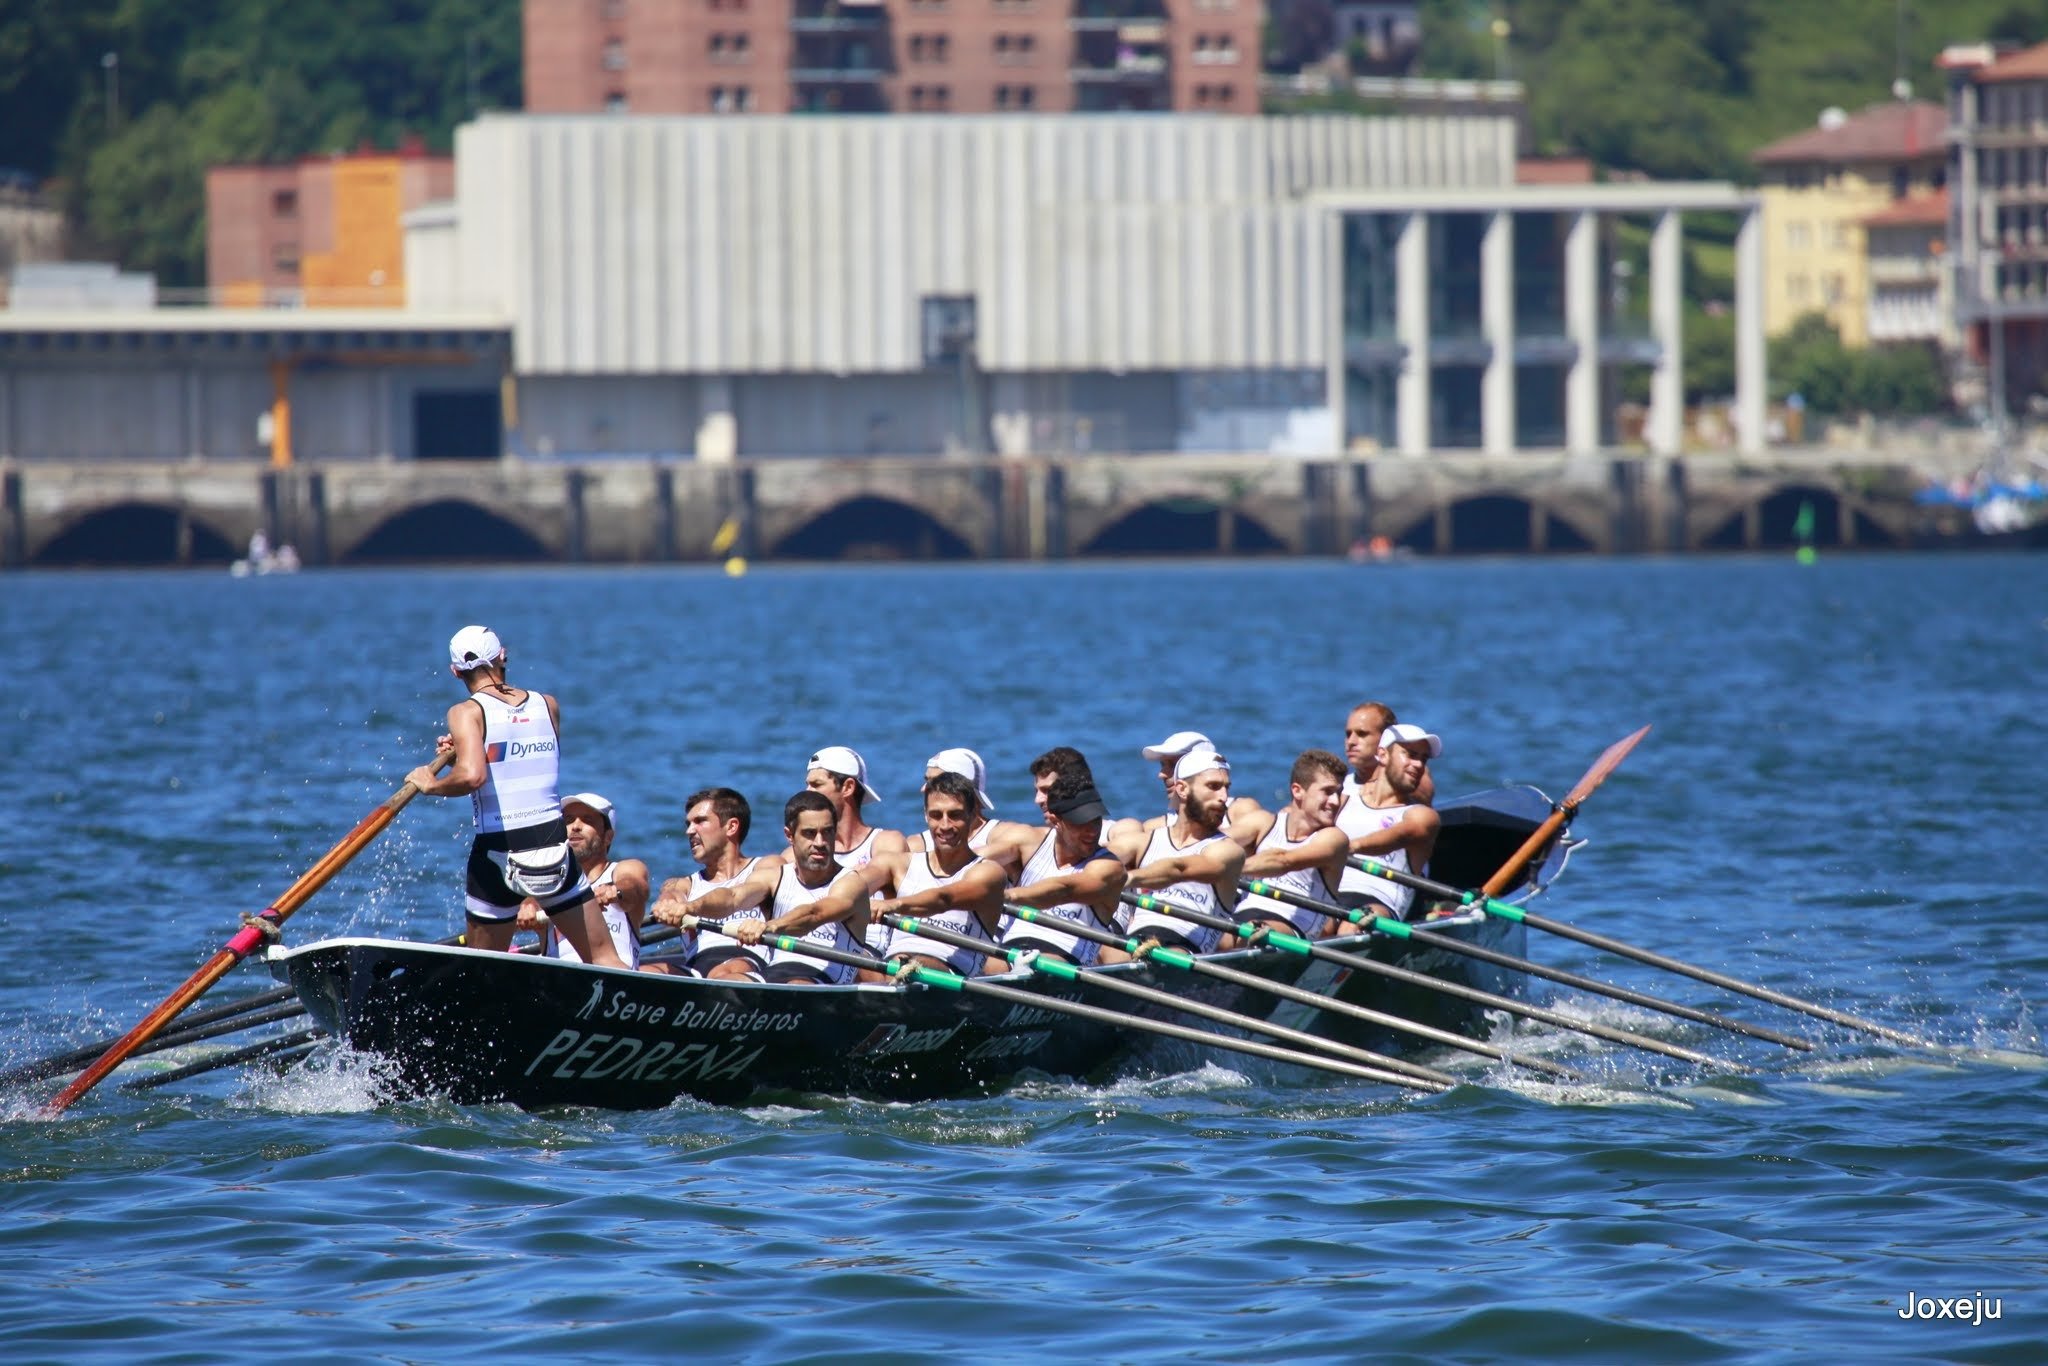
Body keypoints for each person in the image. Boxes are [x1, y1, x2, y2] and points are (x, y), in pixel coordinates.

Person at [404, 626, 624, 967]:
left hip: (498, 851)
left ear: (455, 671)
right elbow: (521, 760)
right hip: (554, 845)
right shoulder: (548, 705)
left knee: (483, 971)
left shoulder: (466, 713)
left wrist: (431, 783)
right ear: (502, 655)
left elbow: (473, 776)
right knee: (605, 959)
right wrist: (467, 745)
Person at [652, 791, 877, 984]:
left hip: (823, 983)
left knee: (795, 985)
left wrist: (769, 927)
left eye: (827, 832)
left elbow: (814, 914)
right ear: (789, 836)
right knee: (725, 984)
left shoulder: (851, 883)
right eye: (809, 833)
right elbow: (732, 897)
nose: (820, 842)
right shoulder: (774, 878)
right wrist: (691, 907)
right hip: (771, 977)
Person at [1101, 748, 1246, 961]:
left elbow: (1179, 869)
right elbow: (1094, 861)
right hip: (1133, 943)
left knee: (1161, 958)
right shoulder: (1144, 840)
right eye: (1213, 787)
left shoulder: (1229, 851)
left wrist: (1126, 878)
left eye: (1226, 788)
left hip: (1184, 952)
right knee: (1098, 951)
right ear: (1182, 789)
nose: (1224, 797)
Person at [866, 771, 1009, 976]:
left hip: (954, 974)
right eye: (936, 815)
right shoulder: (897, 864)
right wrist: (850, 897)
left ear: (972, 815)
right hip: (894, 966)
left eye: (955, 815)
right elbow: (855, 884)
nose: (945, 826)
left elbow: (944, 898)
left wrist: (892, 904)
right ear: (925, 815)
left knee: (913, 964)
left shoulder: (989, 872)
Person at [994, 771, 1128, 970]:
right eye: (1081, 823)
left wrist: (1003, 896)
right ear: (1056, 821)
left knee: (1043, 966)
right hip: (1008, 951)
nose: (1092, 831)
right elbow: (974, 861)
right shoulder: (1030, 842)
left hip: (1063, 962)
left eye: (1096, 820)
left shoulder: (1110, 868)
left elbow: (1063, 889)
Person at [643, 787, 767, 979]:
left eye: (700, 821)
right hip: (697, 968)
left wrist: (689, 908)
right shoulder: (682, 883)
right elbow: (673, 895)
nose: (689, 831)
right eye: (688, 824)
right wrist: (668, 904)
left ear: (731, 827)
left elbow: (735, 896)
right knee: (645, 971)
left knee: (723, 973)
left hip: (749, 960)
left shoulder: (766, 868)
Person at [514, 792, 649, 967]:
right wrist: (528, 906)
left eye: (588, 820)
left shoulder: (624, 869)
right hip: (559, 979)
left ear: (608, 836)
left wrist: (616, 891)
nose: (575, 826)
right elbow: (532, 898)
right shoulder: (545, 883)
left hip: (616, 982)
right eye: (568, 820)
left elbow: (635, 886)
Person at [1230, 750, 1350, 940]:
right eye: (1327, 792)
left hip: (1292, 929)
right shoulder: (1264, 822)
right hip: (1241, 918)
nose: (1336, 801)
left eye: (1339, 792)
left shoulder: (1334, 839)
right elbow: (1212, 844)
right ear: (1297, 790)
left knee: (1249, 932)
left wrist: (1225, 869)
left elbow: (1284, 860)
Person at [1334, 722, 1443, 925]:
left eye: (1424, 759)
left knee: (1353, 923)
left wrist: (1351, 846)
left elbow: (1403, 834)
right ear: (1383, 755)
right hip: (1327, 894)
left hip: (1378, 903)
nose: (1419, 765)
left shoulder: (1422, 816)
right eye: (1411, 754)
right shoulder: (1343, 798)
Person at [907, 748, 1036, 855]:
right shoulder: (916, 845)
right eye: (927, 780)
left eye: (935, 781)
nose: (923, 789)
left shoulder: (1003, 835)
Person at [805, 745, 907, 874]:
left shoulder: (886, 844)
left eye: (816, 785)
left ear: (848, 787)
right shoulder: (794, 854)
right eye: (807, 785)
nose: (807, 792)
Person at [1341, 701, 1435, 806]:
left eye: (1362, 734)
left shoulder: (1414, 775)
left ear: (1385, 737)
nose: (1351, 742)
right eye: (1348, 734)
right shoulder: (1339, 786)